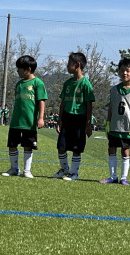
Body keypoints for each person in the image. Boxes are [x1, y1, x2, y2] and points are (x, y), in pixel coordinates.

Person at [100, 58, 130, 186]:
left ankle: (124, 178)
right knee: (111, 149)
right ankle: (113, 176)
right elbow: (111, 107)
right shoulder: (114, 90)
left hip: (128, 127)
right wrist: (108, 122)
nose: (124, 73)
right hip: (115, 125)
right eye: (122, 70)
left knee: (125, 150)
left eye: (127, 71)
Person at [2, 55, 47, 178]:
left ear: (28, 69)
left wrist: (41, 118)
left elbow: (41, 101)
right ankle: (14, 168)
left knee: (28, 146)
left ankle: (27, 170)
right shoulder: (19, 84)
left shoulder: (38, 83)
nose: (17, 71)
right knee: (12, 145)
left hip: (29, 122)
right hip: (16, 122)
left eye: (19, 69)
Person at [53, 52, 94, 181]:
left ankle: (74, 173)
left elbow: (89, 105)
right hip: (67, 117)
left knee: (77, 147)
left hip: (79, 119)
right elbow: (62, 103)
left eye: (69, 63)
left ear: (77, 65)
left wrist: (88, 124)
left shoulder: (86, 84)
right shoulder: (67, 84)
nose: (67, 66)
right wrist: (59, 121)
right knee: (61, 146)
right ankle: (64, 169)